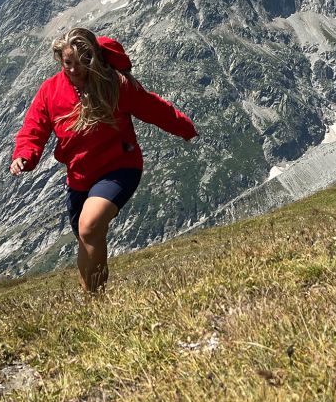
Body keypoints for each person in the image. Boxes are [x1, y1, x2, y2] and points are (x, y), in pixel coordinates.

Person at [10, 27, 197, 293]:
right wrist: (24, 156)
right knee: (87, 237)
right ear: (59, 60)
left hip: (119, 166)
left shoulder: (115, 84)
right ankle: (94, 301)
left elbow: (152, 107)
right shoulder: (50, 90)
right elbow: (34, 127)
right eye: (68, 63)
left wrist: (184, 128)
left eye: (82, 62)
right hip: (79, 176)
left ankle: (96, 301)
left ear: (93, 57)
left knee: (89, 226)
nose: (75, 69)